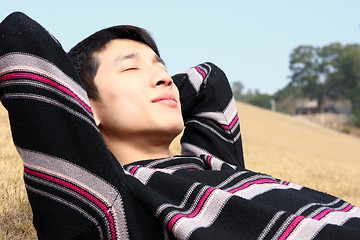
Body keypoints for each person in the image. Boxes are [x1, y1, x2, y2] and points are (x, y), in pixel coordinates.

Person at [0, 12, 359, 240]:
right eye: (131, 68)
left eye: (161, 67)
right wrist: (87, 106)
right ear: (82, 103)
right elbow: (17, 36)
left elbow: (209, 80)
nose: (163, 79)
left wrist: (146, 86)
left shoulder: (215, 164)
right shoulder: (113, 202)